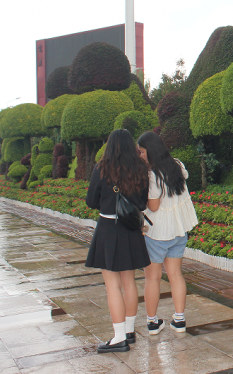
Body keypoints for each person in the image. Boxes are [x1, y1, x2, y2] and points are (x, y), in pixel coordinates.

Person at [84, 129, 150, 353]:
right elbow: (142, 203)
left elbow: (91, 200)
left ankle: (119, 338)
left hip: (108, 228)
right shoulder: (140, 168)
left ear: (110, 145)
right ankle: (129, 332)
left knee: (113, 286)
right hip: (130, 229)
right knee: (129, 282)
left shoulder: (102, 168)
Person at [136, 131, 198, 335]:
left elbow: (153, 207)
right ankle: (179, 319)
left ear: (150, 151)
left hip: (158, 232)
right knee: (175, 275)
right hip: (179, 230)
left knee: (152, 278)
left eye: (141, 152)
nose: (140, 155)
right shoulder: (177, 165)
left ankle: (152, 322)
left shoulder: (152, 175)